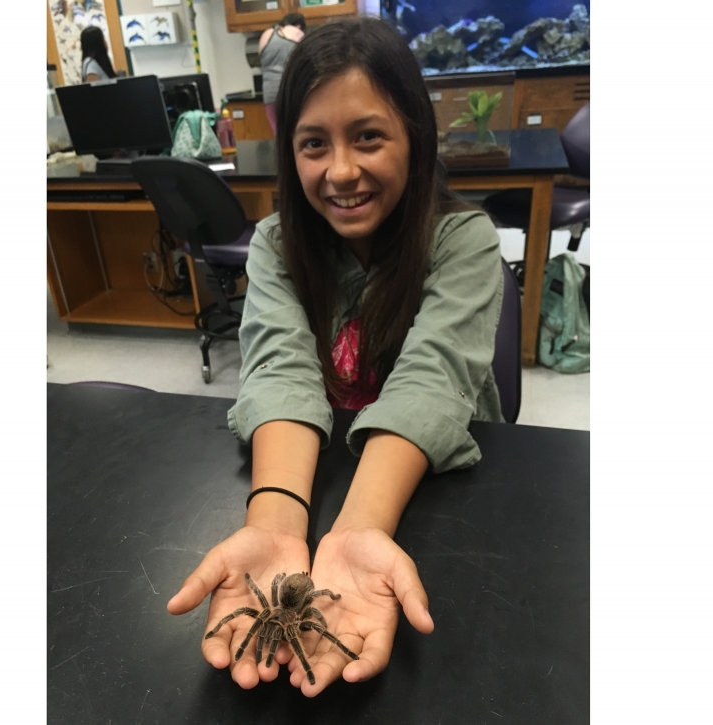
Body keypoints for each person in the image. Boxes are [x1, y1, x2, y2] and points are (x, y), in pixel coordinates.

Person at [167, 17, 504, 697]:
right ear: (290, 152)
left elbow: (429, 383)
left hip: (438, 484)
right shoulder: (275, 244)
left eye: (369, 137)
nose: (341, 170)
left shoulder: (463, 241)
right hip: (315, 466)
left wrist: (355, 531)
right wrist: (272, 524)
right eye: (314, 144)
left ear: (415, 133)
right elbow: (283, 373)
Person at [258, 13, 306, 135]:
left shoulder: (267, 34)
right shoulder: (297, 33)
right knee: (296, 133)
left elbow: (261, 61)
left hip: (269, 93)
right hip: (290, 91)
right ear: (299, 26)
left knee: (278, 134)